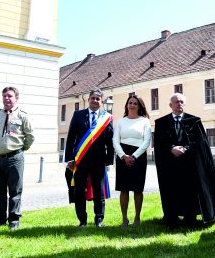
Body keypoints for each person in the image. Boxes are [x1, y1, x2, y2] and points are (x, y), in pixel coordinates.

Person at [154, 93, 215, 228]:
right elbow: (159, 143)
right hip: (170, 163)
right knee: (172, 188)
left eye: (181, 102)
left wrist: (185, 148)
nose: (179, 104)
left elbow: (201, 142)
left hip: (190, 163)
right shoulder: (161, 122)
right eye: (176, 102)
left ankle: (189, 217)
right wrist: (172, 148)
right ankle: (172, 217)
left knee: (190, 189)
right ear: (170, 105)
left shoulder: (194, 121)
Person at [65, 89, 114, 227]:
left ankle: (99, 219)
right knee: (79, 190)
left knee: (99, 190)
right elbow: (70, 139)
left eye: (98, 99)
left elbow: (110, 141)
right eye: (92, 98)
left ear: (101, 102)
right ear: (88, 100)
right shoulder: (78, 115)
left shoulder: (106, 118)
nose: (95, 101)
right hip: (80, 160)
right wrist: (70, 159)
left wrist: (109, 160)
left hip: (99, 160)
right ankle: (82, 220)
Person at [0, 86, 34, 229]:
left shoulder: (23, 116)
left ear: (16, 98)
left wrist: (19, 149)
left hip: (15, 158)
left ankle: (14, 221)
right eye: (4, 96)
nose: (6, 98)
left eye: (10, 96)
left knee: (15, 190)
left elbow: (30, 136)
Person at [112, 95, 152, 228]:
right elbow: (115, 140)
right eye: (130, 103)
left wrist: (133, 156)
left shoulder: (145, 121)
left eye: (135, 103)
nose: (132, 105)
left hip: (138, 157)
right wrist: (123, 156)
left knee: (137, 190)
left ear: (139, 106)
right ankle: (124, 219)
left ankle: (137, 218)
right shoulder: (121, 121)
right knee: (123, 189)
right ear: (126, 105)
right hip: (123, 157)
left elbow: (146, 141)